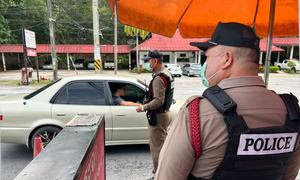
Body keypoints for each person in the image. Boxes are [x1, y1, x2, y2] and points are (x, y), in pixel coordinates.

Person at [155, 22, 300, 180]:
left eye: (208, 57)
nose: (206, 65)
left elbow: (166, 176)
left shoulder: (198, 113)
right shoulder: (291, 113)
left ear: (226, 59)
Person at [136, 50, 175, 175]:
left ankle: (159, 174)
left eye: (149, 60)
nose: (148, 63)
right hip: (164, 113)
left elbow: (158, 101)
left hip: (159, 116)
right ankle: (162, 171)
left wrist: (143, 107)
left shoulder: (159, 78)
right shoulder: (167, 73)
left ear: (155, 61)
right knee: (162, 145)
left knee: (157, 148)